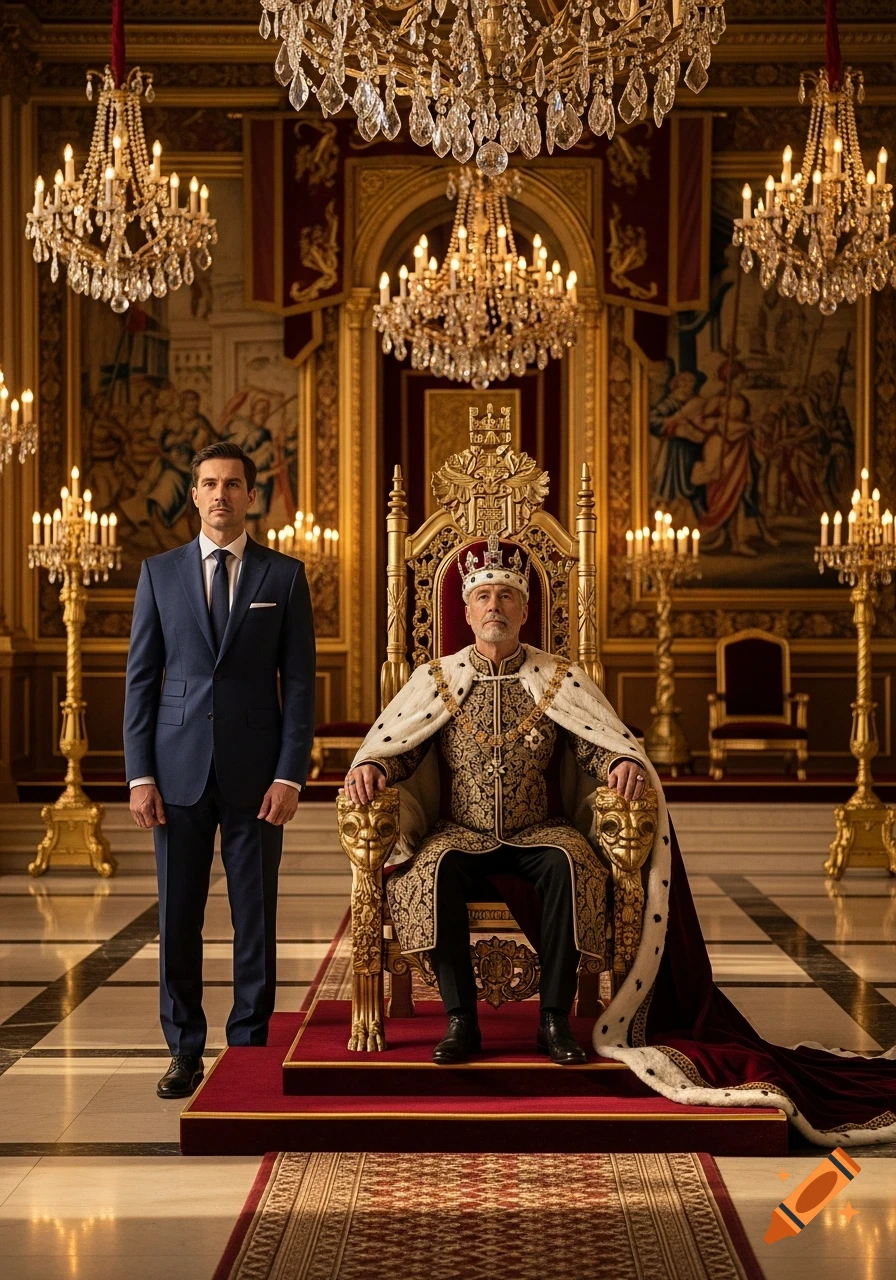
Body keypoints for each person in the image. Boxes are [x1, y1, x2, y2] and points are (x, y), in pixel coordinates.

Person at [344, 537, 645, 1066]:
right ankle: (461, 1021)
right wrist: (374, 765)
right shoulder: (437, 679)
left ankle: (553, 1020)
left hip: (538, 830)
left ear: (525, 610)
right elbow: (403, 748)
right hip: (460, 831)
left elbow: (593, 743)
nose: (494, 606)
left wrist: (619, 762)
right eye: (484, 596)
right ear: (466, 610)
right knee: (431, 869)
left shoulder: (558, 678)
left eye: (506, 596)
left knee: (571, 865)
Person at [123, 441, 316, 1099]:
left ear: (250, 495)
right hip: (175, 774)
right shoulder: (160, 573)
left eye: (232, 484)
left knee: (253, 918)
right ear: (196, 493)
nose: (219, 495)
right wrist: (139, 774)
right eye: (208, 483)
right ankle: (182, 1050)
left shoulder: (283, 576)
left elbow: (300, 686)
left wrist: (290, 775)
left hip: (257, 777)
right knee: (178, 919)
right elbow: (140, 681)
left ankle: (250, 1048)